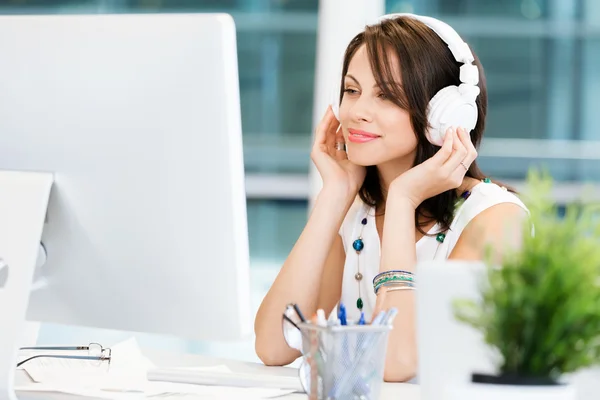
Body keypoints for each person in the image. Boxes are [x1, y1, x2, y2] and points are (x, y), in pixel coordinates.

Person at [254, 14, 529, 382]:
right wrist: (335, 195)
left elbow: (396, 363)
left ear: (443, 116)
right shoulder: (358, 212)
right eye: (352, 91)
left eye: (386, 95)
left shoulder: (493, 218)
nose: (357, 113)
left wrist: (403, 201)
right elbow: (274, 344)